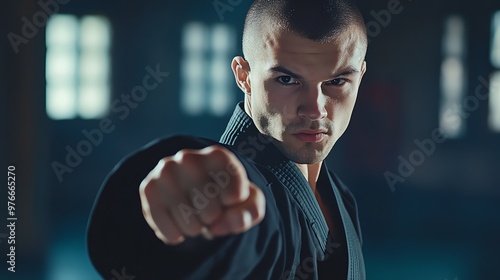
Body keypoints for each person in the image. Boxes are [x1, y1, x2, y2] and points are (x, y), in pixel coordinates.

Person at [87, 0, 368, 279]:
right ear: (243, 76)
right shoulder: (238, 187)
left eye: (336, 82)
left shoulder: (341, 197)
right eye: (286, 80)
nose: (314, 109)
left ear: (360, 76)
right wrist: (195, 207)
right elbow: (241, 235)